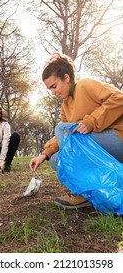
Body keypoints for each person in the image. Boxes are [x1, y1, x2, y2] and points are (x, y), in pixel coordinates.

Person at [29, 52, 123, 209]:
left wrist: (92, 121)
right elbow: (64, 136)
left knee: (62, 129)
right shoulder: (65, 106)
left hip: (118, 138)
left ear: (66, 78)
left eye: (54, 86)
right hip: (100, 147)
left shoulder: (86, 85)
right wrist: (44, 154)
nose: (53, 92)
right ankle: (87, 193)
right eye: (49, 89)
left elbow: (119, 98)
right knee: (56, 160)